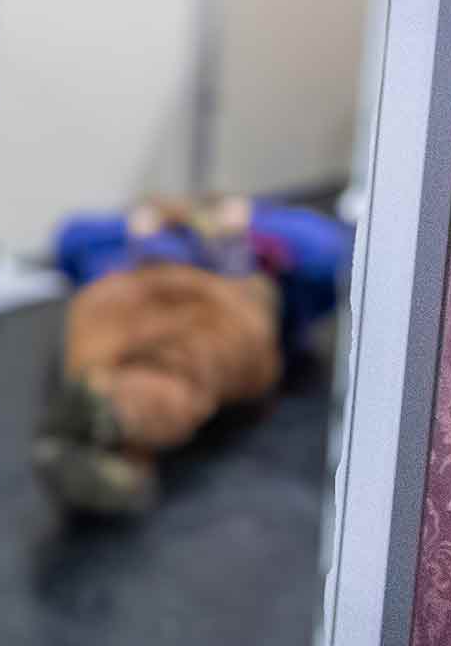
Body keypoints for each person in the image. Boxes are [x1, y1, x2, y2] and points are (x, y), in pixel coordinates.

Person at [34, 194, 353, 516]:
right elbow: (68, 239)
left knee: (186, 362)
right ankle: (110, 442)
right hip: (125, 288)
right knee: (107, 352)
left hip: (217, 298)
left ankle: (105, 418)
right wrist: (131, 226)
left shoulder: (260, 244)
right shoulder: (126, 240)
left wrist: (251, 220)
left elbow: (331, 254)